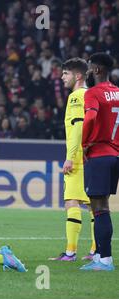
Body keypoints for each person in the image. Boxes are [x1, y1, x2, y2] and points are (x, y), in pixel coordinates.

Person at [49, 58, 96, 262]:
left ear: (78, 76)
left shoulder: (76, 96)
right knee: (95, 204)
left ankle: (70, 252)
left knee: (72, 201)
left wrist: (70, 157)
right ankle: (97, 250)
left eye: (65, 73)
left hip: (78, 156)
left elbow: (78, 127)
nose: (62, 77)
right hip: (92, 155)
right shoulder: (92, 95)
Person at [80, 52, 119, 271]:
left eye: (89, 67)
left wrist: (85, 142)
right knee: (101, 206)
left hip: (99, 154)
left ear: (96, 70)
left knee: (99, 207)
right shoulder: (117, 92)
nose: (87, 71)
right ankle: (100, 256)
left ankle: (105, 259)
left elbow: (91, 117)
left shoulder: (93, 93)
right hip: (115, 154)